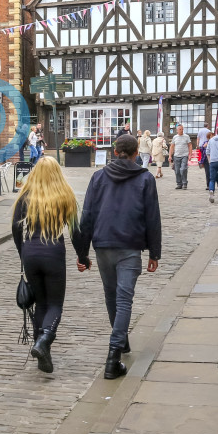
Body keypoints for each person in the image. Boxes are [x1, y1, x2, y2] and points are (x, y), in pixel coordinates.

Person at [72, 134, 161, 380]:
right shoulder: (145, 178)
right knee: (123, 300)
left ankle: (121, 343)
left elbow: (87, 216)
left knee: (112, 297)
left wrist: (83, 252)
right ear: (135, 154)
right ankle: (113, 358)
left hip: (103, 246)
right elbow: (152, 217)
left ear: (115, 150)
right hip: (130, 246)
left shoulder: (98, 177)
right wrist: (155, 252)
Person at [12, 157, 78, 373]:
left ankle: (42, 350)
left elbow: (15, 227)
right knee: (55, 304)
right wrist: (83, 255)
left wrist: (22, 253)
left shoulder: (25, 195)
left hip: (30, 253)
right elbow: (76, 230)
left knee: (40, 303)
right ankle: (44, 340)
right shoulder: (64, 194)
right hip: (53, 252)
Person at [168, 124, 191, 189]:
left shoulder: (186, 136)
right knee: (177, 170)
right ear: (177, 130)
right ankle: (179, 183)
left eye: (182, 129)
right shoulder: (175, 137)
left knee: (183, 169)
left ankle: (184, 183)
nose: (181, 130)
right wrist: (170, 156)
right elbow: (172, 147)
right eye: (180, 129)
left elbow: (190, 145)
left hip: (184, 155)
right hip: (176, 156)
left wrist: (190, 154)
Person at [196, 121, 212, 189]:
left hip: (202, 145)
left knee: (202, 156)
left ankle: (201, 163)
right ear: (207, 126)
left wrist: (197, 144)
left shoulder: (200, 131)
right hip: (208, 145)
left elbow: (198, 138)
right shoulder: (209, 131)